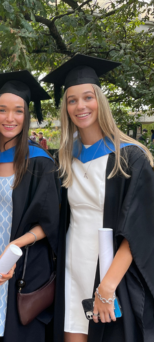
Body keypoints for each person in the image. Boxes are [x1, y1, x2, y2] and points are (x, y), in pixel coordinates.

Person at [42, 54, 154, 342]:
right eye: (72, 100)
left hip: (113, 274)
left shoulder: (129, 157)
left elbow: (140, 229)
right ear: (66, 108)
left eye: (88, 97)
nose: (80, 106)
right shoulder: (65, 159)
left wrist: (107, 286)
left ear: (100, 101)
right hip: (74, 267)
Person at [0, 70, 60, 342]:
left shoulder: (39, 162)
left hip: (17, 261)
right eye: (2, 110)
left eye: (18, 111)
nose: (9, 118)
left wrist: (14, 250)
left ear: (27, 116)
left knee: (11, 330)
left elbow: (50, 221)